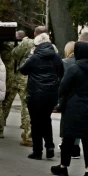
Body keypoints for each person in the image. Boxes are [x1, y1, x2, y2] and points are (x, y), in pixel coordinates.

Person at [51, 42, 88, 176]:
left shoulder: (74, 69)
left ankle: (63, 167)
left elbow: (62, 88)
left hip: (73, 106)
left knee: (68, 137)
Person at [19, 31, 63, 160]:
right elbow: (61, 73)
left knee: (36, 122)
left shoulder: (34, 57)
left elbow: (23, 70)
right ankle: (49, 146)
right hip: (51, 94)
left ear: (37, 44)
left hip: (35, 94)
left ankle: (37, 151)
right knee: (46, 119)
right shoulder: (56, 57)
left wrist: (30, 54)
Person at [10, 30, 35, 146]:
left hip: (22, 76)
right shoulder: (51, 47)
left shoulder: (26, 44)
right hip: (36, 79)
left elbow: (14, 54)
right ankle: (27, 132)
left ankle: (28, 134)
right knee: (27, 105)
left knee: (23, 105)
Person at [0, 39, 17, 138]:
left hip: (0, 80)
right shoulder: (12, 49)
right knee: (6, 103)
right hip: (10, 79)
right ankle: (1, 123)